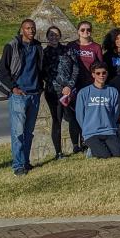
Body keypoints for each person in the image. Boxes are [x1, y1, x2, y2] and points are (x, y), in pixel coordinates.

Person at [0, 19, 44, 175]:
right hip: (19, 95)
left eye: (33, 28)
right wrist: (13, 88)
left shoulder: (37, 46)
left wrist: (41, 87)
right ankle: (18, 166)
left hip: (34, 94)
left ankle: (25, 162)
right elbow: (2, 71)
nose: (31, 31)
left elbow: (40, 68)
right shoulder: (12, 46)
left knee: (28, 132)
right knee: (18, 133)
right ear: (21, 30)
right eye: (28, 28)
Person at [42, 26, 79, 160]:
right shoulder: (44, 53)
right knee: (57, 120)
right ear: (47, 38)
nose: (54, 37)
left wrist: (69, 85)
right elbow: (45, 74)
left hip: (70, 91)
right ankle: (59, 152)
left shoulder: (67, 50)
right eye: (51, 35)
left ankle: (76, 145)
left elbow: (75, 67)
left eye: (56, 35)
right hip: (54, 92)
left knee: (73, 117)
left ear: (60, 36)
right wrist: (61, 87)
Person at [74, 61, 120, 159]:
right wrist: (86, 129)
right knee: (105, 156)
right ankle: (91, 149)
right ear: (93, 75)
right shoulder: (84, 93)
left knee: (119, 154)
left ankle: (98, 148)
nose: (101, 75)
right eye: (98, 73)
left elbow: (115, 113)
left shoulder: (112, 92)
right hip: (91, 132)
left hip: (109, 130)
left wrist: (110, 124)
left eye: (104, 73)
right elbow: (80, 115)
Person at [70, 21, 104, 89]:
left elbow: (100, 66)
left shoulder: (96, 47)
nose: (85, 31)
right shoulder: (71, 45)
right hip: (73, 81)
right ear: (78, 31)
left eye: (88, 30)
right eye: (82, 30)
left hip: (90, 81)